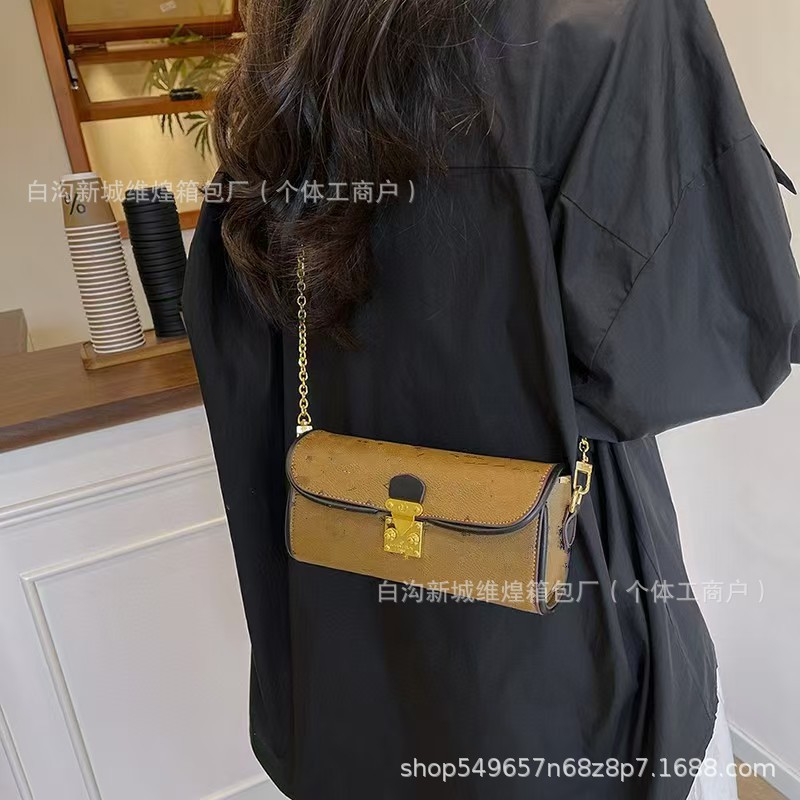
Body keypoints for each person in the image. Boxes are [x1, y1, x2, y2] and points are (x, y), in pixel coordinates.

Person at [182, 1, 800, 798]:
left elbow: (237, 351)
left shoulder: (288, 48)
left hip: (347, 658)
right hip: (560, 674)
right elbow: (713, 335)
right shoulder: (609, 17)